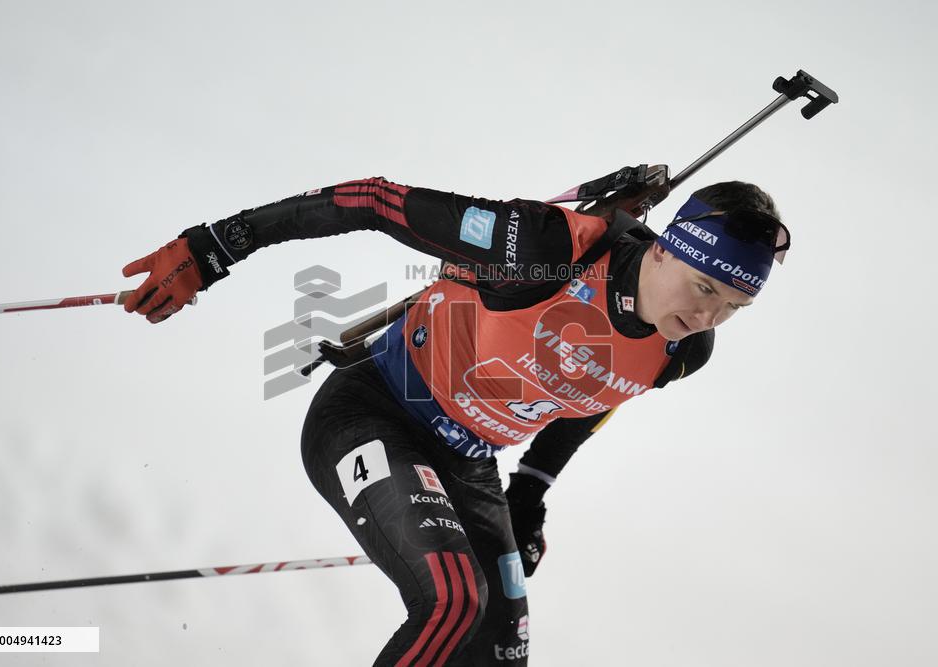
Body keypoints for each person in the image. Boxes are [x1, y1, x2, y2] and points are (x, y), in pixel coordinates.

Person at [121, 175, 789, 665]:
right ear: (670, 249)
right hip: (374, 411)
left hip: (467, 463)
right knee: (450, 601)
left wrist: (529, 489)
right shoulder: (542, 248)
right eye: (706, 287)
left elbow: (595, 393)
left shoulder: (683, 349)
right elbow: (373, 201)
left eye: (734, 305)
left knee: (502, 648)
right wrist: (217, 245)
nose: (709, 317)